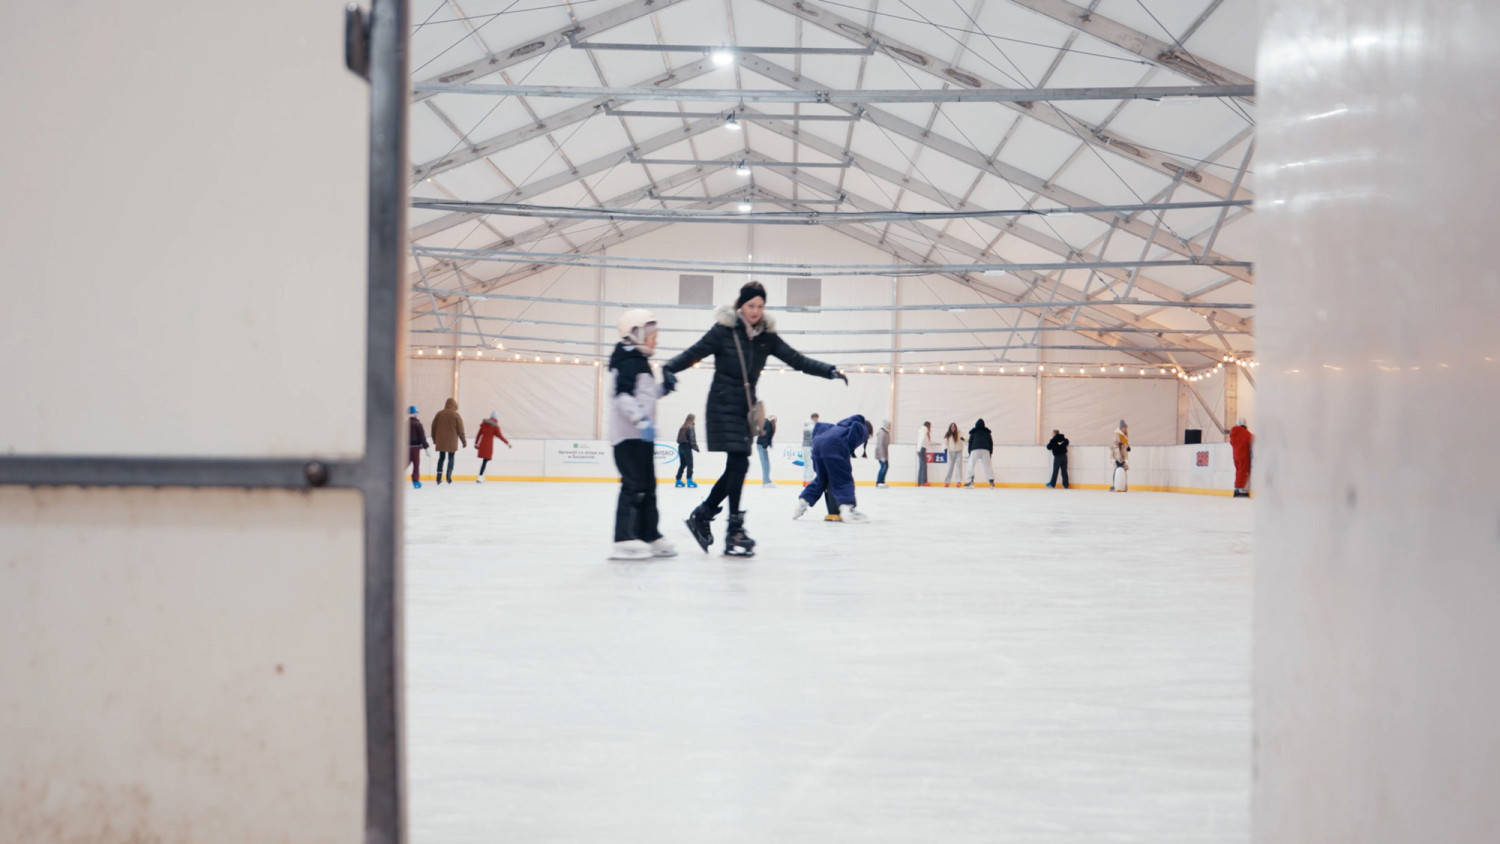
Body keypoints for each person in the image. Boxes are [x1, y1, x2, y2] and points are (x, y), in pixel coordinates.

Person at [663, 281, 846, 557]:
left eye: (760, 306)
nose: (755, 311)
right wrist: (669, 368)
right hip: (721, 403)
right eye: (751, 305)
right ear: (741, 305)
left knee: (737, 465)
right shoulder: (723, 331)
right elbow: (694, 352)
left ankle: (705, 514)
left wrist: (829, 370)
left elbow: (796, 360)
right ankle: (732, 528)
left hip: (745, 409)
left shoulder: (766, 337)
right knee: (739, 462)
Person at [607, 309, 676, 560]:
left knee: (648, 487)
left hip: (642, 438)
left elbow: (645, 395)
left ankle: (649, 534)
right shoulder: (625, 362)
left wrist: (664, 387)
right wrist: (640, 420)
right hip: (627, 438)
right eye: (650, 335)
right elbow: (623, 396)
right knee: (633, 486)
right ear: (634, 334)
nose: (654, 340)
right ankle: (624, 537)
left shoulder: (639, 361)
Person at [794, 415, 873, 523]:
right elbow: (853, 436)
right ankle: (847, 509)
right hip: (835, 447)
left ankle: (803, 502)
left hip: (817, 447)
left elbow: (819, 428)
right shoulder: (862, 427)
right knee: (843, 479)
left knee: (821, 479)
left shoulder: (839, 426)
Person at [430, 398, 466, 485]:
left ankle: (438, 477)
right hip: (452, 441)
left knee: (441, 458)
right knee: (451, 457)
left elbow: (433, 427)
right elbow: (461, 430)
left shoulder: (439, 414)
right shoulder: (456, 415)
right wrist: (464, 442)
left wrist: (435, 439)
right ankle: (449, 476)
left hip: (441, 441)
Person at [473, 411, 511, 483]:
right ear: (496, 418)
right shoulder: (495, 427)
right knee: (485, 460)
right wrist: (507, 443)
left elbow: (478, 434)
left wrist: (476, 443)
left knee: (485, 460)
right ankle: (480, 476)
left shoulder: (484, 424)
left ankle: (481, 476)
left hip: (482, 444)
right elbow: (500, 436)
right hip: (488, 446)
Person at [965, 419, 995, 488]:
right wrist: (990, 452)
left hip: (975, 449)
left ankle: (970, 481)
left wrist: (969, 452)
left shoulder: (973, 432)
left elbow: (970, 442)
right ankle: (991, 481)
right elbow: (991, 443)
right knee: (987, 466)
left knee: (970, 464)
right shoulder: (987, 432)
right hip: (985, 450)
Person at [1230, 417, 1254, 497]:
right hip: (1243, 455)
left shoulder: (1233, 434)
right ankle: (1240, 489)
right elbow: (1253, 438)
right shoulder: (1245, 433)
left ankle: (1236, 489)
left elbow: (1231, 442)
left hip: (1235, 456)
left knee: (1238, 471)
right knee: (1243, 472)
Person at [407, 405, 430, 489]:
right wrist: (426, 447)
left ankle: (395, 477)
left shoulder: (405, 424)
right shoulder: (418, 424)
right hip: (416, 448)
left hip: (406, 448)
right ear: (416, 414)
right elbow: (422, 437)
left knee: (404, 464)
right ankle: (415, 481)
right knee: (416, 465)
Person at [675, 414, 699, 488]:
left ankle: (678, 480)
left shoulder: (682, 427)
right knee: (690, 464)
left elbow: (678, 440)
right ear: (692, 419)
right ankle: (689, 481)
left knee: (682, 464)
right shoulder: (690, 427)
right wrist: (696, 448)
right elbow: (692, 439)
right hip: (686, 447)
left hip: (680, 447)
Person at [1109, 420, 1130, 492]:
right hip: (1117, 460)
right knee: (1116, 471)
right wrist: (1112, 460)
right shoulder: (1118, 435)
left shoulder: (1122, 445)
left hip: (1122, 460)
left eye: (1116, 442)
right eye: (1124, 428)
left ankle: (1124, 485)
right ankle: (1115, 484)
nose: (1115, 443)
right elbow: (1111, 454)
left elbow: (1125, 452)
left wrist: (1126, 459)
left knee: (1124, 471)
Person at [757, 415, 778, 487]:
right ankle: (766, 481)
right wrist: (765, 446)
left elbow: (768, 436)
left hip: (762, 445)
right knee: (765, 464)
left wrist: (769, 445)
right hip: (762, 445)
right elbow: (766, 435)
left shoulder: (767, 423)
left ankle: (767, 480)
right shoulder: (768, 423)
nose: (776, 421)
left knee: (766, 464)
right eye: (775, 420)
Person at [801, 413, 820, 487]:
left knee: (807, 464)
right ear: (813, 418)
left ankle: (805, 481)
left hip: (805, 446)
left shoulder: (807, 426)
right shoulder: (812, 427)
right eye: (816, 418)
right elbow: (814, 438)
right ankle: (808, 481)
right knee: (810, 464)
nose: (817, 419)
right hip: (809, 447)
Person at [915, 421, 934, 486]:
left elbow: (928, 441)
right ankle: (924, 482)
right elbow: (921, 439)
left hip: (921, 449)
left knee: (921, 466)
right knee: (924, 465)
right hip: (921, 449)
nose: (930, 428)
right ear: (928, 426)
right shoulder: (924, 430)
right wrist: (918, 448)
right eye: (930, 426)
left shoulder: (923, 431)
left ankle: (920, 482)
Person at [874, 419, 891, 488]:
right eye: (889, 425)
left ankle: (882, 482)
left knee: (886, 466)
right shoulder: (882, 432)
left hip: (884, 453)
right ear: (886, 425)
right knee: (883, 467)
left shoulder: (886, 432)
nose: (890, 426)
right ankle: (879, 482)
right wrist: (882, 456)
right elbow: (880, 445)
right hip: (881, 453)